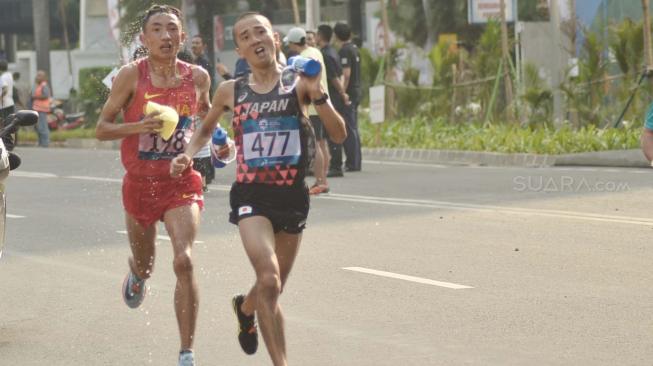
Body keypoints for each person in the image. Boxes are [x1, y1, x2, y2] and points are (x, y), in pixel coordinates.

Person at [170, 12, 346, 366]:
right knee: (268, 277)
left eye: (260, 32)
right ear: (240, 49)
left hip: (293, 197)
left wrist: (320, 93)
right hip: (252, 196)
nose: (255, 39)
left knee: (273, 287)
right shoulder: (230, 90)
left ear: (275, 39)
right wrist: (188, 155)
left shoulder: (298, 82)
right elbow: (204, 130)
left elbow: (339, 134)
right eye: (246, 36)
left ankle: (245, 307)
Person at [95, 5, 211, 366]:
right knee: (147, 265)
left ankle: (186, 352)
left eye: (172, 29)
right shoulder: (131, 75)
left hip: (181, 183)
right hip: (140, 186)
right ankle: (137, 274)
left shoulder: (198, 77)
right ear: (144, 39)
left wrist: (218, 144)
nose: (165, 35)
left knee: (184, 260)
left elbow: (205, 118)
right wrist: (138, 128)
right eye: (156, 30)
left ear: (182, 37)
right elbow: (102, 128)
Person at [285, 27, 331, 195]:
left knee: (317, 143)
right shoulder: (315, 51)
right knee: (322, 143)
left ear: (292, 43)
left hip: (310, 106)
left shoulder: (302, 58)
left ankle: (320, 181)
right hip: (320, 102)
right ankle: (323, 179)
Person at [317, 24, 350, 178]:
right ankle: (336, 164)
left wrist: (342, 92)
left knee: (332, 131)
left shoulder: (325, 54)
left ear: (320, 36)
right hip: (336, 96)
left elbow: (333, 77)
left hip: (333, 97)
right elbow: (341, 74)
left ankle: (336, 166)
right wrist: (343, 91)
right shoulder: (333, 52)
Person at [334, 22, 362, 172]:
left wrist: (342, 92)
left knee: (349, 128)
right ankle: (356, 161)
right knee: (354, 127)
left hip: (350, 93)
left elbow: (346, 74)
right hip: (357, 90)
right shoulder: (355, 49)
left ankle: (352, 162)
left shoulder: (344, 51)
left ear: (337, 36)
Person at [31, 70, 51, 148]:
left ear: (43, 77)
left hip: (42, 109)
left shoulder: (44, 85)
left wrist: (35, 97)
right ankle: (41, 142)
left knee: (43, 126)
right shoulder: (38, 85)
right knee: (38, 127)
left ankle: (45, 143)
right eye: (37, 75)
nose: (37, 77)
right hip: (37, 109)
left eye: (39, 75)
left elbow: (46, 95)